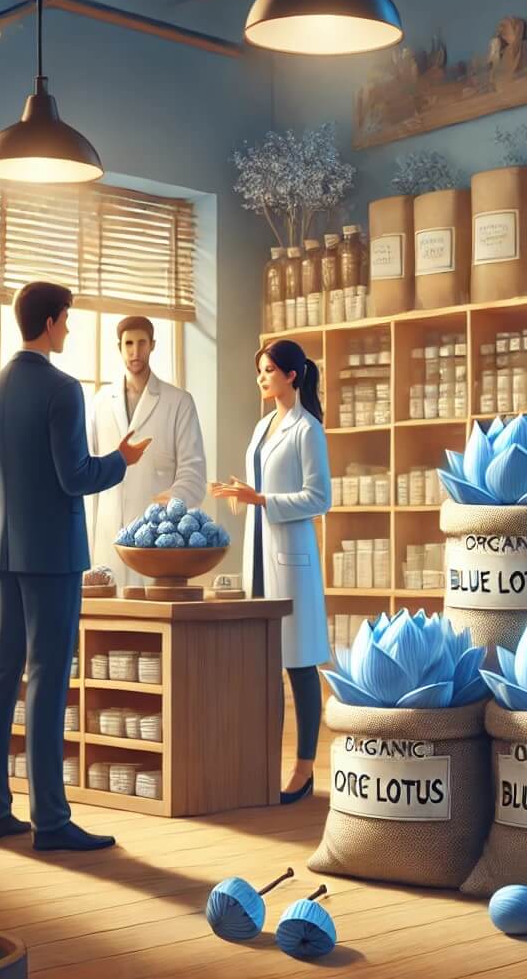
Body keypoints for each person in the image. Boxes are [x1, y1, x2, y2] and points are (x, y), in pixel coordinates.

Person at [0, 281, 151, 851]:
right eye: (67, 320)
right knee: (47, 679)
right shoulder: (63, 389)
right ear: (49, 322)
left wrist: (21, 494)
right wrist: (120, 460)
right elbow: (76, 477)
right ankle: (50, 821)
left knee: (0, 677)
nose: (69, 330)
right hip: (53, 557)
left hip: (4, 554)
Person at [211, 340, 330, 804]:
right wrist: (243, 497)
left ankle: (303, 769)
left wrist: (263, 501)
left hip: (291, 561)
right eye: (259, 371)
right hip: (259, 557)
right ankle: (263, 764)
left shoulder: (307, 430)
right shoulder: (263, 427)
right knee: (265, 666)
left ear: (292, 376)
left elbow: (320, 498)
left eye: (268, 371)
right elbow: (259, 489)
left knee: (298, 663)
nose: (261, 378)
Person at [88, 315, 206, 586]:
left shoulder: (178, 402)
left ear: (153, 345)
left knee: (155, 620)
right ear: (119, 347)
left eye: (142, 343)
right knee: (109, 623)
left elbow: (194, 474)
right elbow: (90, 474)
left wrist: (167, 508)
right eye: (128, 343)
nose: (135, 351)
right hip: (107, 539)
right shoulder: (100, 403)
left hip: (159, 541)